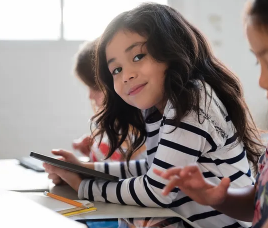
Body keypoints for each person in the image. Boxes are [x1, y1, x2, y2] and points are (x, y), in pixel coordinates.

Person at [44, 3, 264, 228]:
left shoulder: (191, 100)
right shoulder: (157, 108)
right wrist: (85, 169)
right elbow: (154, 168)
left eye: (138, 57)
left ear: (172, 50)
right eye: (116, 70)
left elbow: (157, 190)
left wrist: (82, 187)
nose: (127, 75)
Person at [153, 0, 268, 227]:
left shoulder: (194, 99)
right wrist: (218, 197)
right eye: (258, 62)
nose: (262, 81)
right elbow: (259, 204)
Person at [73, 39, 146, 162]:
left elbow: (120, 174)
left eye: (94, 87)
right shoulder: (116, 128)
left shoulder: (137, 138)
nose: (90, 96)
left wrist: (79, 172)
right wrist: (92, 151)